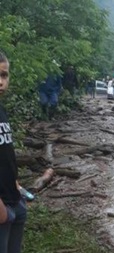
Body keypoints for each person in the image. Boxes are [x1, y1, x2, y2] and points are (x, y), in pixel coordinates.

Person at [0, 50, 27, 253]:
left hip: (13, 198)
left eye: (4, 75)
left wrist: (15, 183)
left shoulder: (1, 110)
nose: (1, 82)